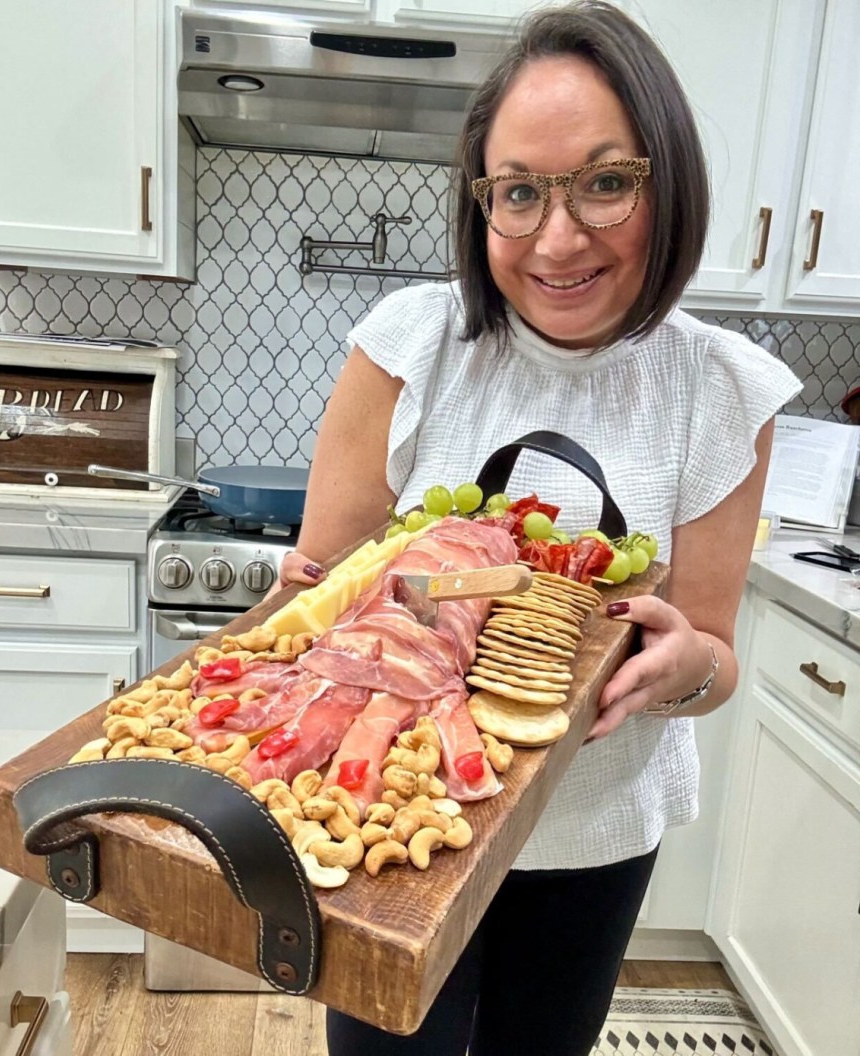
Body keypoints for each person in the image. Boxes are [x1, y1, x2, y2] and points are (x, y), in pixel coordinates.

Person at [277, 2, 801, 1053]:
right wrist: (311, 611)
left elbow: (714, 664)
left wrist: (683, 661)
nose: (558, 238)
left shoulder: (722, 391)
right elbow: (321, 590)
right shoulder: (408, 345)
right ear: (483, 204)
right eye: (519, 192)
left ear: (669, 183)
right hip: (393, 823)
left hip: (594, 834)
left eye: (606, 182)